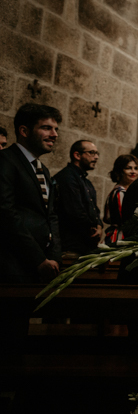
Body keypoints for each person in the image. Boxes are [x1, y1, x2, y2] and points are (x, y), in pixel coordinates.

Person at [0, 104, 62, 283]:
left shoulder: (43, 170)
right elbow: (6, 213)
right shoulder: (6, 160)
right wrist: (38, 259)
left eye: (56, 129)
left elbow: (51, 216)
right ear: (24, 131)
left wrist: (55, 258)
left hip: (44, 266)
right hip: (13, 265)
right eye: (46, 128)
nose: (54, 134)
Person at [54, 140, 103, 257]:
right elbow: (75, 211)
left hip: (85, 246)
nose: (96, 157)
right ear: (77, 155)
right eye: (91, 153)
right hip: (71, 245)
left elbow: (94, 210)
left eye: (97, 153)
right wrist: (91, 228)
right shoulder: (67, 177)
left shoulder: (86, 182)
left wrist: (99, 226)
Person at [102, 154, 138, 247]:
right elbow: (124, 220)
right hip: (120, 237)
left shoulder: (127, 191)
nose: (133, 172)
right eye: (128, 168)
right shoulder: (120, 192)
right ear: (120, 171)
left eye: (136, 168)